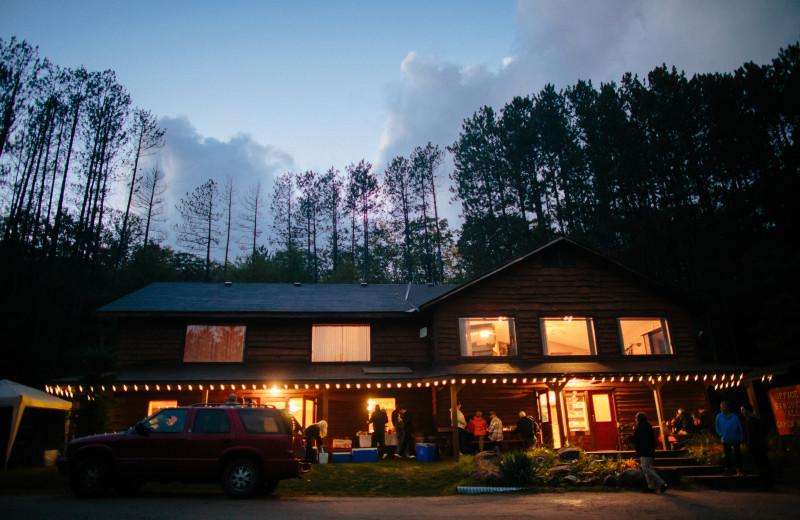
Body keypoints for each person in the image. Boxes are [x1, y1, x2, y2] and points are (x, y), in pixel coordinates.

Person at [627, 412, 668, 493]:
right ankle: (651, 486)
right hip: (649, 449)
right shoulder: (648, 426)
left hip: (644, 450)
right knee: (647, 468)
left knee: (646, 468)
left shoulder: (640, 427)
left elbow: (638, 439)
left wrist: (630, 438)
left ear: (638, 419)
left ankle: (662, 483)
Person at [741, 403, 772, 489]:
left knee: (761, 464)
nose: (742, 412)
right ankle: (768, 482)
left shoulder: (750, 420)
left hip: (756, 445)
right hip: (762, 444)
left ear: (747, 411)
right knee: (764, 463)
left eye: (743, 410)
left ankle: (765, 483)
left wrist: (749, 444)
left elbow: (751, 433)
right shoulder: (757, 419)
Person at [715, 401, 744, 476]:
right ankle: (728, 469)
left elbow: (739, 427)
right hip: (725, 438)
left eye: (722, 407)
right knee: (727, 454)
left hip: (735, 438)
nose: (721, 408)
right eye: (721, 407)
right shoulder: (719, 416)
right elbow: (717, 426)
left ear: (727, 408)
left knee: (737, 454)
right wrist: (721, 434)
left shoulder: (734, 417)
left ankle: (740, 469)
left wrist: (741, 437)